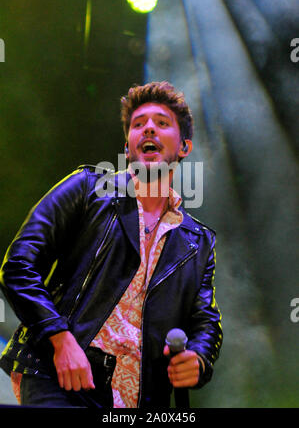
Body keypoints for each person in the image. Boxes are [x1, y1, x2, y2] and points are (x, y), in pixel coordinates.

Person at [0, 81, 222, 408]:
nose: (148, 128)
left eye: (162, 123)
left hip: (140, 398)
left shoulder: (198, 242)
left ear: (184, 147)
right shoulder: (88, 189)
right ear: (128, 144)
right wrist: (60, 339)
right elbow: (19, 265)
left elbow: (205, 321)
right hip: (63, 377)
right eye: (138, 124)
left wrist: (199, 360)